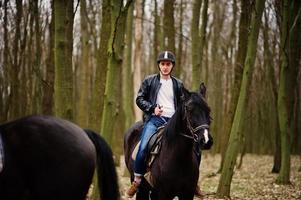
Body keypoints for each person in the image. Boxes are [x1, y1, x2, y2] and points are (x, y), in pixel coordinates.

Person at [126, 51, 204, 198]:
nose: (165, 67)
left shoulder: (178, 84)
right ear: (159, 66)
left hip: (174, 123)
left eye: (168, 64)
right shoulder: (149, 81)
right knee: (143, 146)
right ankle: (137, 180)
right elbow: (139, 99)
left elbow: (183, 105)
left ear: (172, 66)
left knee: (196, 148)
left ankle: (194, 183)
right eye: (163, 64)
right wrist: (152, 108)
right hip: (155, 121)